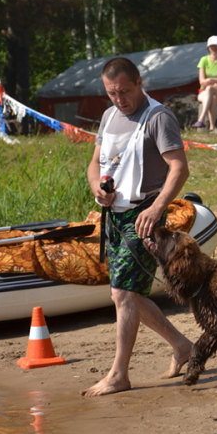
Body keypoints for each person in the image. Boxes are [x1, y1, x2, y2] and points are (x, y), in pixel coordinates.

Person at [82, 57, 193, 397]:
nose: (119, 99)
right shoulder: (109, 115)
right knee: (125, 292)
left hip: (146, 215)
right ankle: (182, 345)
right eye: (111, 93)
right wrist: (95, 188)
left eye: (124, 92)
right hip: (114, 215)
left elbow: (179, 168)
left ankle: (119, 375)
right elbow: (94, 162)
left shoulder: (159, 117)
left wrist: (158, 208)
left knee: (124, 294)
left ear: (140, 82)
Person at [192, 35, 217, 133]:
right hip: (204, 92)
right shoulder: (204, 60)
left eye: (216, 46)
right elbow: (202, 81)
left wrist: (210, 80)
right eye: (212, 46)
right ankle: (212, 127)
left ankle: (201, 119)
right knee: (212, 96)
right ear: (208, 48)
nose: (214, 48)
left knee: (210, 90)